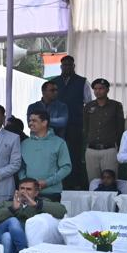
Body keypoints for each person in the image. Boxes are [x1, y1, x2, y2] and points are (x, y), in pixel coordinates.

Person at [0, 177, 66, 253]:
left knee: (7, 237)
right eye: (22, 188)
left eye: (28, 189)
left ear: (36, 193)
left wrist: (36, 205)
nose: (24, 192)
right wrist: (12, 208)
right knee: (12, 221)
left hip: (13, 239)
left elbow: (62, 211)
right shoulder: (8, 203)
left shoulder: (41, 203)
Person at [50, 55, 87, 189]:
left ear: (73, 66)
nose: (67, 67)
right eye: (64, 65)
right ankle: (58, 182)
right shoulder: (54, 82)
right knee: (56, 154)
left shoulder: (82, 82)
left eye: (69, 65)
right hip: (56, 126)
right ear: (61, 67)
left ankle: (74, 184)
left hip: (75, 125)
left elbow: (88, 103)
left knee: (74, 154)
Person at [20, 109, 72, 201]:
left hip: (51, 192)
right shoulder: (24, 144)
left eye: (34, 120)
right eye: (30, 120)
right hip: (28, 193)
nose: (30, 123)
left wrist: (47, 182)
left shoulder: (59, 142)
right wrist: (27, 184)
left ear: (44, 123)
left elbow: (66, 167)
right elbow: (20, 167)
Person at [82, 78, 124, 184]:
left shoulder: (116, 106)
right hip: (91, 150)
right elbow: (85, 127)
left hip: (109, 149)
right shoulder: (89, 106)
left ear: (107, 90)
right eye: (95, 89)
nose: (98, 91)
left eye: (101, 88)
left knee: (110, 182)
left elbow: (120, 128)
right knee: (93, 183)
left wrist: (119, 148)